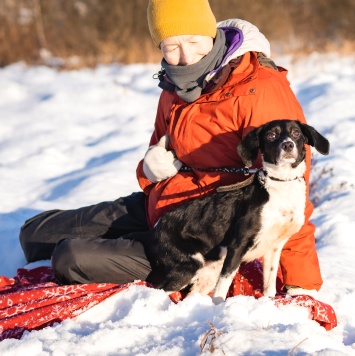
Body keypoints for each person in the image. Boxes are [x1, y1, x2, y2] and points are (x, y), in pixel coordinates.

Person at [19, 0, 322, 298]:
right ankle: (126, 243)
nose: (186, 56)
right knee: (34, 233)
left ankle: (145, 258)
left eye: (193, 40)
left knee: (70, 257)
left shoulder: (258, 88)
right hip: (163, 204)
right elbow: (158, 148)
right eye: (171, 46)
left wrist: (300, 283)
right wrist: (150, 168)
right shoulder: (174, 85)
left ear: (211, 33)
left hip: (199, 234)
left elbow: (291, 188)